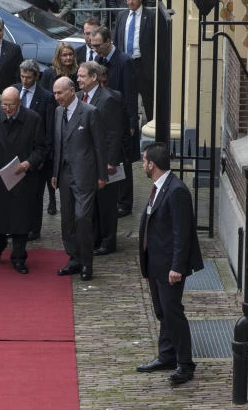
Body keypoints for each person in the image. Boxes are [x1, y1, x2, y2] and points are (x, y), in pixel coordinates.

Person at [136, 142, 204, 384]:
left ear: (152, 164)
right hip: (155, 263)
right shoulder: (159, 188)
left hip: (169, 267)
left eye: (144, 161)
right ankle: (167, 354)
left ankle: (185, 364)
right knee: (161, 311)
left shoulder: (177, 191)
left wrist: (176, 267)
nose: (142, 165)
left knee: (173, 313)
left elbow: (181, 233)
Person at [0, 87, 47, 274]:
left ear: (19, 103)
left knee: (21, 219)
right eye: (4, 105)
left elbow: (41, 148)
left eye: (11, 105)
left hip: (22, 177)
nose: (6, 109)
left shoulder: (33, 119)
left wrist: (28, 163)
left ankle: (18, 256)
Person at [52, 77, 107, 282]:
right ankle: (73, 259)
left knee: (82, 218)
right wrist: (55, 173)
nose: (57, 97)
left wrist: (102, 175)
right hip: (64, 174)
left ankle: (87, 262)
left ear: (71, 91)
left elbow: (100, 146)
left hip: (85, 174)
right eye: (55, 93)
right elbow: (58, 144)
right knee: (67, 220)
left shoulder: (90, 112)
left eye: (60, 93)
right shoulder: (58, 112)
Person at [90, 26, 139, 217]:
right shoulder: (97, 60)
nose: (95, 49)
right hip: (103, 118)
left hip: (121, 119)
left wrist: (132, 122)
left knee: (123, 161)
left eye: (98, 45)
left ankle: (125, 202)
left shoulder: (124, 62)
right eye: (92, 46)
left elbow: (131, 93)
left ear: (108, 41)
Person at [77, 61, 123, 256]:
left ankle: (108, 241)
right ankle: (94, 238)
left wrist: (110, 161)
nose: (78, 79)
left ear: (94, 77)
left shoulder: (107, 99)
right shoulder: (80, 97)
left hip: (104, 161)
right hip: (87, 160)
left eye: (82, 76)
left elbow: (114, 132)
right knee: (93, 203)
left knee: (106, 204)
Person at [14, 59, 56, 240]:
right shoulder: (13, 91)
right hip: (15, 152)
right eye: (22, 76)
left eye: (28, 78)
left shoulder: (46, 97)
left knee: (35, 194)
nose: (24, 81)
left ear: (37, 77)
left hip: (36, 153)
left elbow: (49, 130)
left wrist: (41, 158)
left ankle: (34, 228)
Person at [114, 0, 156, 121]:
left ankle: (151, 127)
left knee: (149, 100)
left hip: (143, 65)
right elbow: (117, 40)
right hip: (126, 63)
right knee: (124, 99)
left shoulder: (151, 16)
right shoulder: (121, 15)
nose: (130, 1)